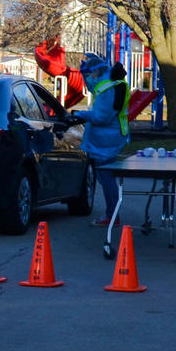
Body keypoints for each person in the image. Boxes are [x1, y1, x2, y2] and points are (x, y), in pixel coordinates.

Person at [73, 53, 130, 226]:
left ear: (96, 73)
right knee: (106, 178)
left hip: (106, 141)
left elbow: (101, 117)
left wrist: (80, 115)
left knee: (106, 178)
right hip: (110, 138)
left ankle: (111, 216)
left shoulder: (107, 89)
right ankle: (112, 214)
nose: (87, 80)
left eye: (88, 76)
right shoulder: (109, 84)